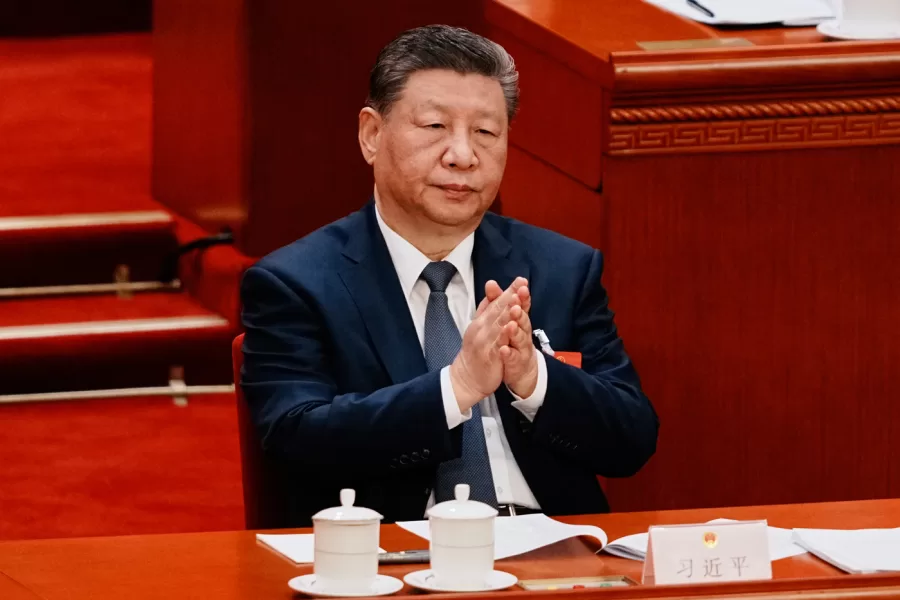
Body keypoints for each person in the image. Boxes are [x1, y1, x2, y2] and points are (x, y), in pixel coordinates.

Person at [240, 24, 658, 526]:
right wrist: (456, 387)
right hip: (394, 557)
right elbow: (296, 440)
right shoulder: (295, 283)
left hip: (550, 555)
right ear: (372, 135)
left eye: (485, 132)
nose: (463, 155)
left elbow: (631, 440)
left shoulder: (560, 267)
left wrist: (535, 380)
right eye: (435, 126)